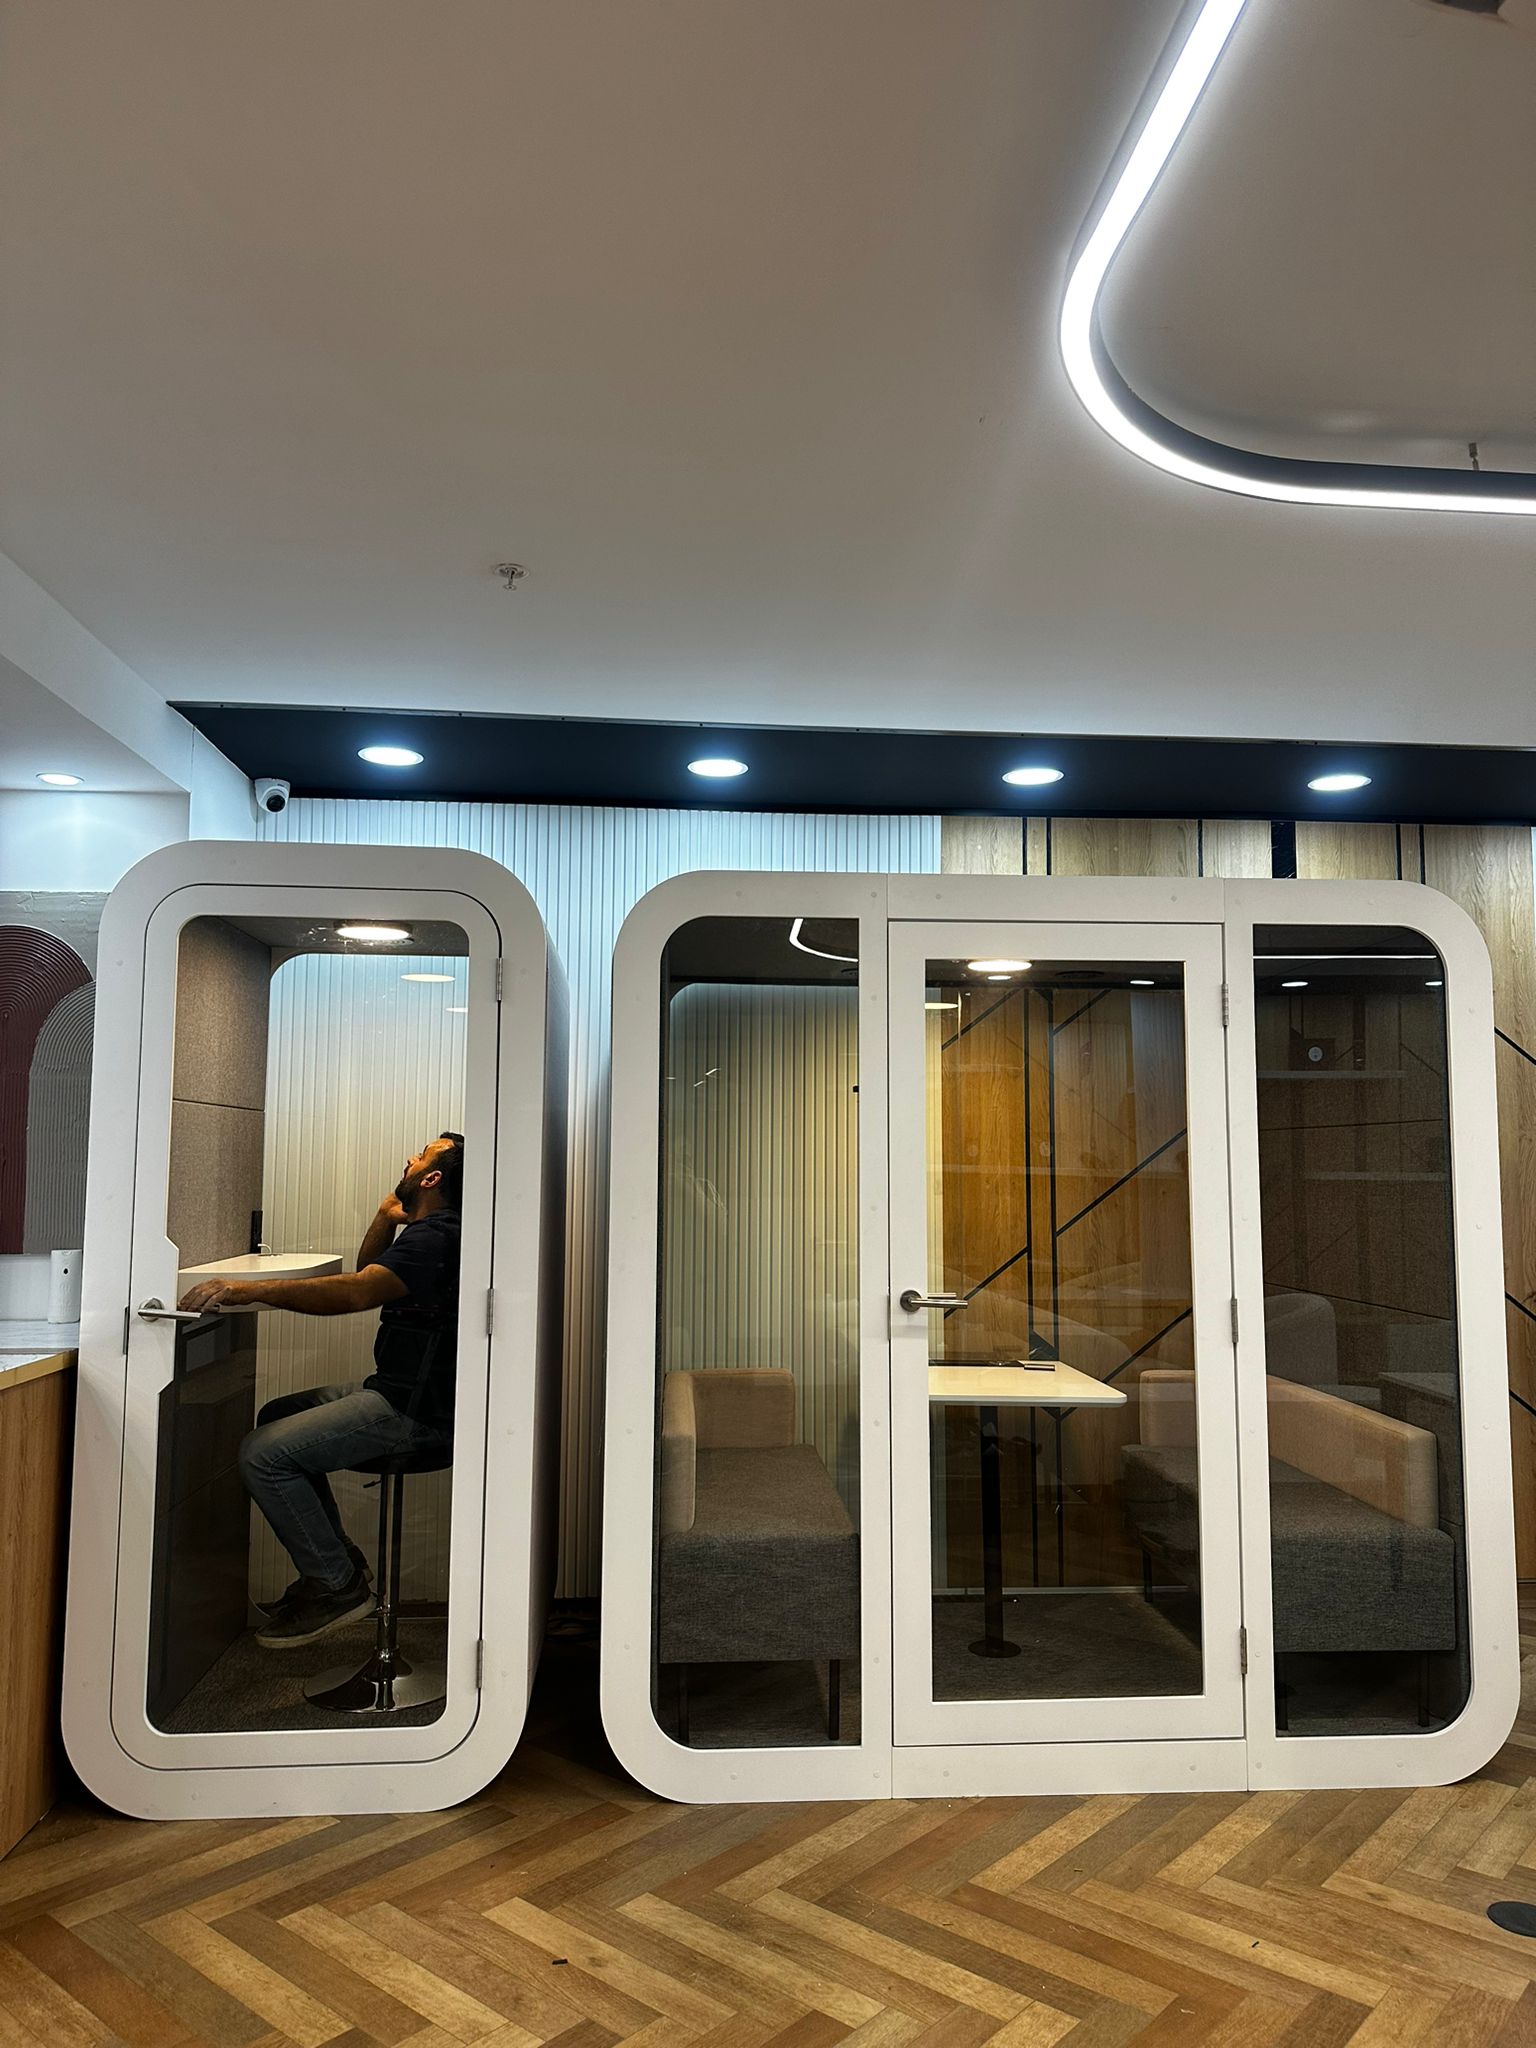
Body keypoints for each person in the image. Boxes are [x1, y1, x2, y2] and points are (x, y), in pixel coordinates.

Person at [178, 1131, 464, 1649]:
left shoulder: (436, 1238)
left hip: (414, 1413)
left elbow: (357, 1292)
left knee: (263, 1454)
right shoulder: (428, 1232)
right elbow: (371, 1269)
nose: (409, 1157)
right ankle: (339, 1565)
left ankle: (335, 1585)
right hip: (397, 1391)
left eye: (421, 1155)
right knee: (276, 1415)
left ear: (432, 1178)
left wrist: (246, 1291)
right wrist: (385, 1216)